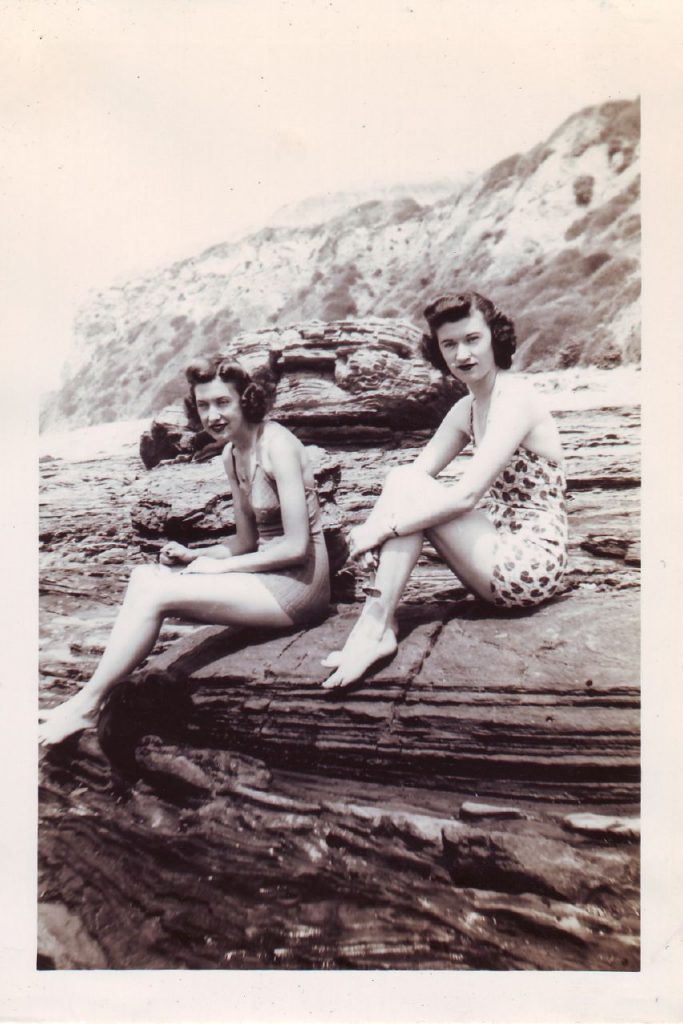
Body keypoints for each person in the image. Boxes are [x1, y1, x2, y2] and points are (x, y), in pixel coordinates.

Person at [39, 356, 331, 745]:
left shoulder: (278, 445)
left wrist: (220, 571)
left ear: (246, 399)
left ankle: (88, 706)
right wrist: (197, 557)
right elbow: (245, 541)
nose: (213, 415)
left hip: (302, 586)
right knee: (145, 576)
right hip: (267, 576)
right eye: (204, 405)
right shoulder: (232, 454)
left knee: (159, 594)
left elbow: (296, 547)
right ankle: (86, 699)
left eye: (223, 402)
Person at [321, 291, 568, 690]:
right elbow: (408, 479)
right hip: (493, 550)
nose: (462, 354)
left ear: (495, 337)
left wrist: (383, 530)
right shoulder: (466, 409)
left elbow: (467, 497)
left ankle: (375, 628)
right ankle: (375, 625)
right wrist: (376, 529)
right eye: (448, 344)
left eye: (472, 339)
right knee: (402, 480)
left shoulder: (516, 397)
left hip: (529, 563)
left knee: (403, 500)